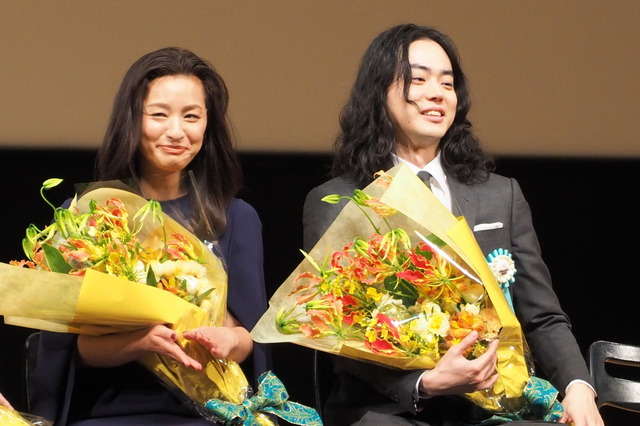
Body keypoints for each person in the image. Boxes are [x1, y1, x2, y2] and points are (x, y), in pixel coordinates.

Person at [303, 24, 603, 426]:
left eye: (447, 83)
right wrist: (426, 381)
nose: (437, 92)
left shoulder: (500, 195)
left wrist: (578, 387)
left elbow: (542, 315)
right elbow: (338, 337)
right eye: (419, 79)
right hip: (389, 405)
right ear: (379, 92)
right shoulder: (338, 200)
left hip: (493, 401)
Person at [31, 47, 270, 425]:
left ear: (208, 125)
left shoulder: (236, 218)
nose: (176, 131)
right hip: (108, 412)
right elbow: (69, 348)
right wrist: (139, 342)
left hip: (210, 413)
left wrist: (230, 342)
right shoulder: (87, 212)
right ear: (132, 120)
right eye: (158, 115)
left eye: (192, 116)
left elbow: (252, 337)